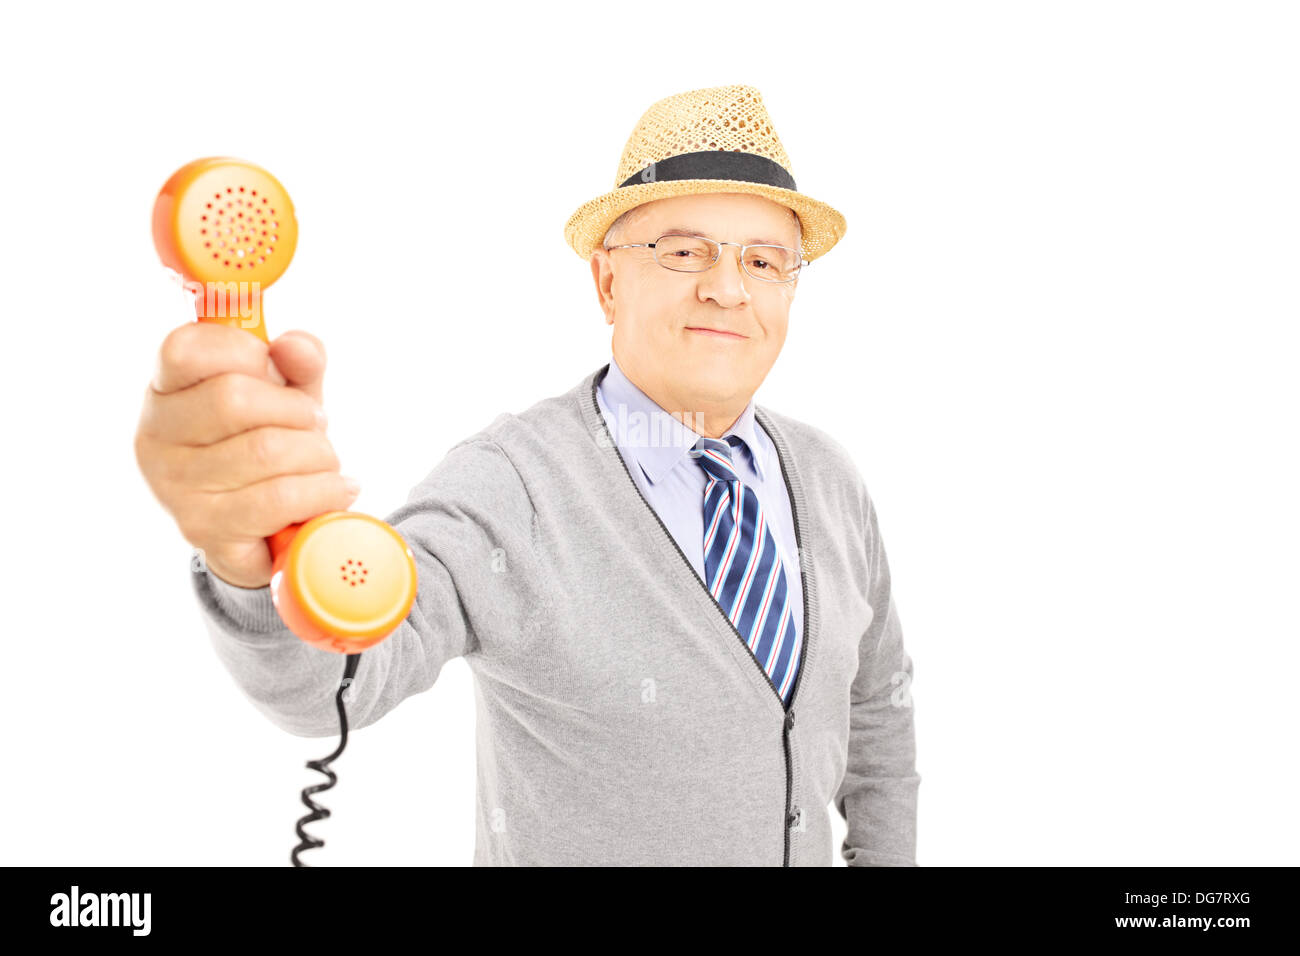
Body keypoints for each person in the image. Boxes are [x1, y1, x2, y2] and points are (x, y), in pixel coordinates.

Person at [133, 83, 920, 866]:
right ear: (607, 282)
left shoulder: (829, 479)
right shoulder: (511, 484)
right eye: (684, 252)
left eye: (765, 260)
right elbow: (335, 680)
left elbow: (877, 716)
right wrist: (248, 554)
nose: (728, 286)